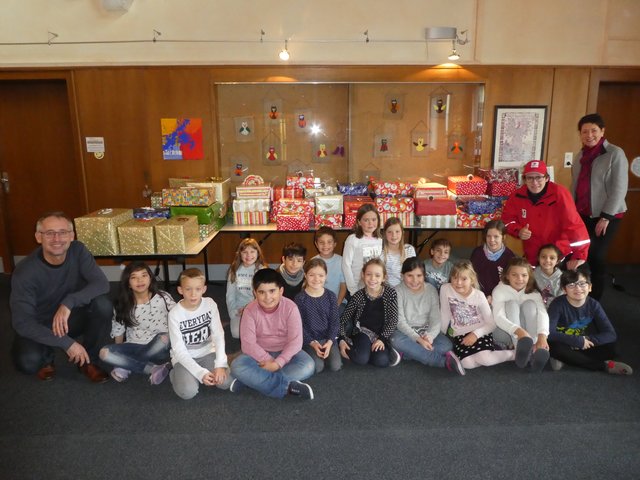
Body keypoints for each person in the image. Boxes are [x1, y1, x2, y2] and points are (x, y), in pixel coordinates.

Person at [10, 211, 112, 383]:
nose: (57, 239)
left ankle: (88, 360)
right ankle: (46, 356)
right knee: (28, 363)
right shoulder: (25, 272)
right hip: (39, 323)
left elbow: (102, 284)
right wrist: (68, 344)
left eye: (63, 232)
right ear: (38, 237)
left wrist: (68, 302)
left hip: (68, 319)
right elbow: (23, 322)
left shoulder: (78, 251)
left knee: (103, 305)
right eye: (49, 233)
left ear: (71, 236)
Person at [230, 268, 316, 399]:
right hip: (259, 355)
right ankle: (288, 387)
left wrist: (278, 363)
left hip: (286, 352)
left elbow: (295, 342)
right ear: (255, 293)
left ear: (281, 291)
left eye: (272, 291)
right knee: (237, 366)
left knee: (309, 365)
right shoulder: (250, 310)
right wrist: (268, 360)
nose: (267, 297)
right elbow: (248, 345)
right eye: (261, 292)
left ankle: (251, 381)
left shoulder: (291, 308)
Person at [572, 113, 629, 301]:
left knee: (596, 255)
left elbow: (619, 188)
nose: (589, 135)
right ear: (580, 134)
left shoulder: (614, 153)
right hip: (584, 214)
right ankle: (581, 294)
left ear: (602, 131)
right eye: (585, 131)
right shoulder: (580, 155)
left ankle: (595, 300)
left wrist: (605, 217)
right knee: (582, 255)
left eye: (594, 131)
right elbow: (576, 185)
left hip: (607, 215)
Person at [501, 160, 590, 270]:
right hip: (533, 254)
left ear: (547, 178)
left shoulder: (560, 194)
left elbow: (574, 225)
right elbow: (507, 220)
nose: (534, 182)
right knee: (536, 284)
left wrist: (579, 256)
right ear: (524, 179)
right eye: (530, 178)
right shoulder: (517, 196)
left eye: (538, 177)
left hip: (558, 252)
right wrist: (518, 231)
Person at [99, 261, 176, 384]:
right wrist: (119, 350)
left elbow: (179, 318)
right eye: (134, 277)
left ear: (150, 278)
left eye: (144, 276)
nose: (140, 280)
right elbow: (118, 329)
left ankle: (126, 364)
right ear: (128, 283)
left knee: (164, 338)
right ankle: (152, 369)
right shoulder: (122, 304)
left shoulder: (163, 298)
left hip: (158, 347)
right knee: (104, 353)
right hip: (134, 345)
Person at [547, 268, 632, 375]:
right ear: (564, 289)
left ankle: (568, 358)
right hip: (562, 341)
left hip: (582, 342)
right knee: (554, 348)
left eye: (582, 284)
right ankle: (603, 366)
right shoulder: (557, 304)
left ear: (590, 287)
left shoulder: (594, 305)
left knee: (613, 348)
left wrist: (586, 339)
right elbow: (549, 333)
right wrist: (576, 341)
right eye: (571, 285)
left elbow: (610, 334)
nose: (578, 288)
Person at [390, 257, 465, 375]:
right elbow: (400, 322)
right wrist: (418, 340)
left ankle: (406, 353)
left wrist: (429, 336)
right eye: (410, 275)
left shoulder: (431, 290)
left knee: (446, 345)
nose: (415, 280)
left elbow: (435, 318)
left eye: (419, 276)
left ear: (424, 275)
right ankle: (442, 362)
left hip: (425, 330)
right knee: (395, 340)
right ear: (402, 275)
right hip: (405, 332)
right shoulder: (396, 291)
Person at [168, 268, 231, 400]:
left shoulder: (210, 304)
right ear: (180, 290)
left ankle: (198, 373)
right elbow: (179, 350)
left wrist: (220, 364)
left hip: (207, 352)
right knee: (188, 392)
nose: (193, 294)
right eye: (188, 289)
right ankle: (174, 374)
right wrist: (200, 373)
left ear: (204, 289)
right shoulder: (174, 314)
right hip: (184, 358)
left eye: (197, 289)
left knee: (225, 383)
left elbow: (218, 335)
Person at [439, 261, 515, 370]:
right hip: (460, 335)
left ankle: (513, 354)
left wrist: (475, 334)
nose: (458, 282)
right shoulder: (445, 289)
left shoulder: (479, 296)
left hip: (480, 332)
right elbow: (445, 313)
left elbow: (491, 324)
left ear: (472, 280)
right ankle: (492, 350)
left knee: (485, 359)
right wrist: (440, 334)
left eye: (464, 279)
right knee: (467, 364)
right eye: (455, 278)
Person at [338, 258, 400, 367]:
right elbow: (343, 319)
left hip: (381, 334)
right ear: (363, 275)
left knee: (381, 361)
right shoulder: (358, 296)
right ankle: (355, 347)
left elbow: (393, 320)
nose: (372, 279)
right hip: (363, 332)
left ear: (384, 277)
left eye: (377, 275)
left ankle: (383, 349)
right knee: (361, 359)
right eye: (368, 274)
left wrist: (382, 339)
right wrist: (342, 339)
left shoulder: (390, 293)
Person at [491, 257, 550, 372]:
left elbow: (543, 314)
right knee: (511, 304)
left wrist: (542, 336)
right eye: (514, 275)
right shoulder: (499, 290)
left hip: (528, 333)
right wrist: (518, 331)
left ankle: (535, 349)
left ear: (529, 276)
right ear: (507, 276)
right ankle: (520, 349)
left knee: (530, 305)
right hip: (504, 331)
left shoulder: (534, 293)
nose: (519, 279)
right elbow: (498, 317)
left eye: (524, 275)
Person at [294, 258, 342, 373]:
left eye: (321, 275)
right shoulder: (300, 298)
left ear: (326, 276)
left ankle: (327, 351)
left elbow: (335, 322)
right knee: (317, 367)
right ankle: (306, 353)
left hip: (327, 338)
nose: (316, 279)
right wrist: (313, 343)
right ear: (305, 275)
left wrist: (329, 342)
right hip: (309, 340)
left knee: (336, 366)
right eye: (312, 275)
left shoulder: (331, 296)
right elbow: (298, 326)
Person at [226, 238, 268, 339]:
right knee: (236, 334)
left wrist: (250, 309)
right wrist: (234, 312)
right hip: (239, 310)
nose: (249, 256)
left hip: (258, 308)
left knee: (261, 331)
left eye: (252, 252)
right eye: (245, 252)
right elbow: (230, 296)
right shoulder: (234, 270)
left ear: (258, 253)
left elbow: (265, 296)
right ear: (240, 254)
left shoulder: (262, 270)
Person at [470, 220, 515, 303]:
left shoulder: (510, 257)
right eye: (488, 236)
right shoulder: (477, 253)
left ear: (503, 237)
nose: (492, 240)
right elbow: (471, 277)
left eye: (496, 236)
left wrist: (494, 296)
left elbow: (511, 283)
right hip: (478, 296)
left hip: (501, 298)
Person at [342, 203, 383, 296]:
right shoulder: (353, 239)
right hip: (357, 288)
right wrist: (353, 289)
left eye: (373, 219)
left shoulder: (380, 240)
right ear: (359, 222)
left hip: (374, 287)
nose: (370, 223)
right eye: (366, 220)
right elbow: (346, 265)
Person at [312, 226, 347, 309]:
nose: (325, 245)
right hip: (318, 304)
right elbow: (310, 286)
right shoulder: (313, 262)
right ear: (316, 244)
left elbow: (343, 286)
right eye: (321, 242)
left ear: (335, 243)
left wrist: (337, 304)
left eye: (329, 242)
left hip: (338, 302)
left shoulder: (341, 261)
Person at [381, 217, 416, 287]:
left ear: (402, 233)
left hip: (406, 288)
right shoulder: (380, 253)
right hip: (387, 289)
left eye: (397, 231)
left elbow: (413, 272)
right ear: (385, 233)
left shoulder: (409, 249)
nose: (394, 235)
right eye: (390, 232)